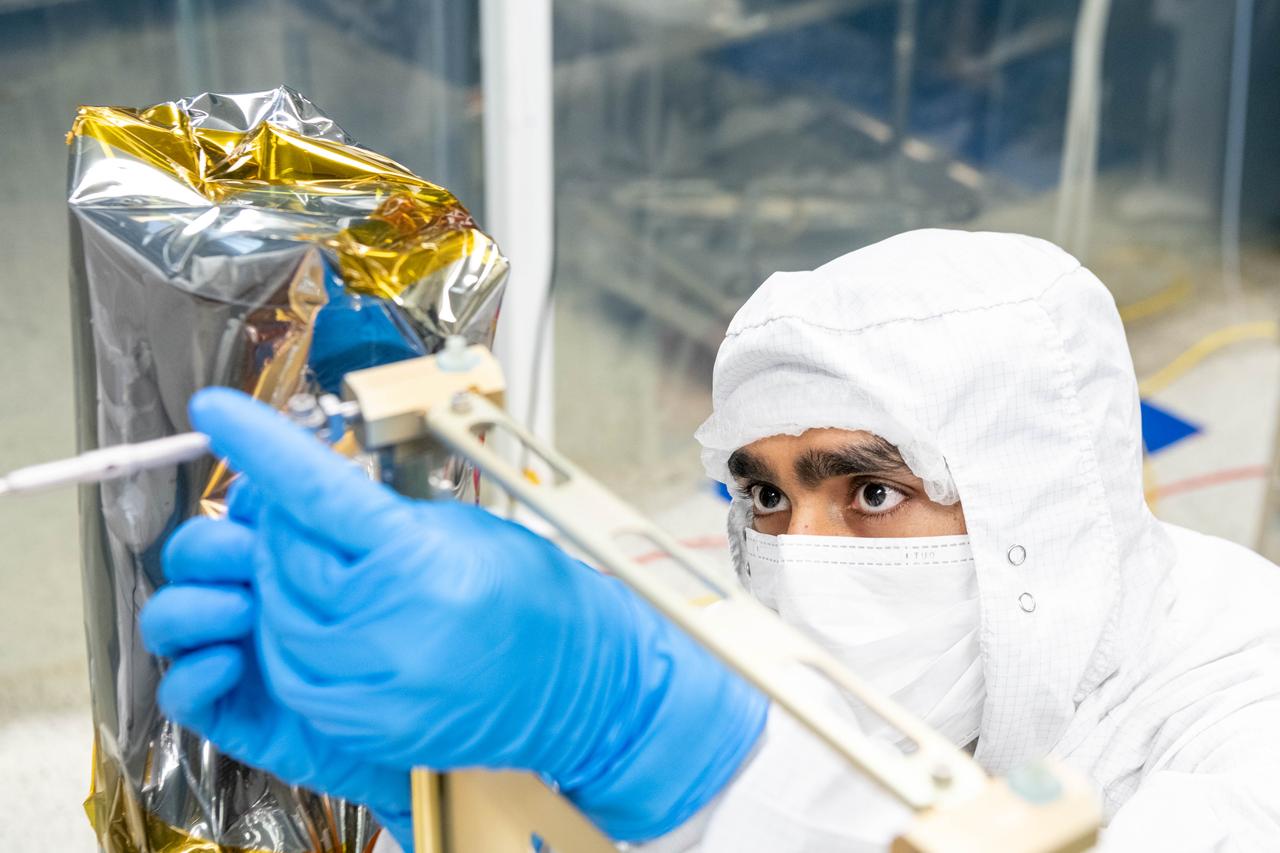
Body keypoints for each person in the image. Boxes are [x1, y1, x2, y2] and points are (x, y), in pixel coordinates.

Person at [140, 229, 1280, 852]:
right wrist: (470, 796)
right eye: (766, 498)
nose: (803, 551)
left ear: (1033, 504)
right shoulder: (765, 651)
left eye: (870, 493)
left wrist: (640, 734)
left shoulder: (1244, 701)